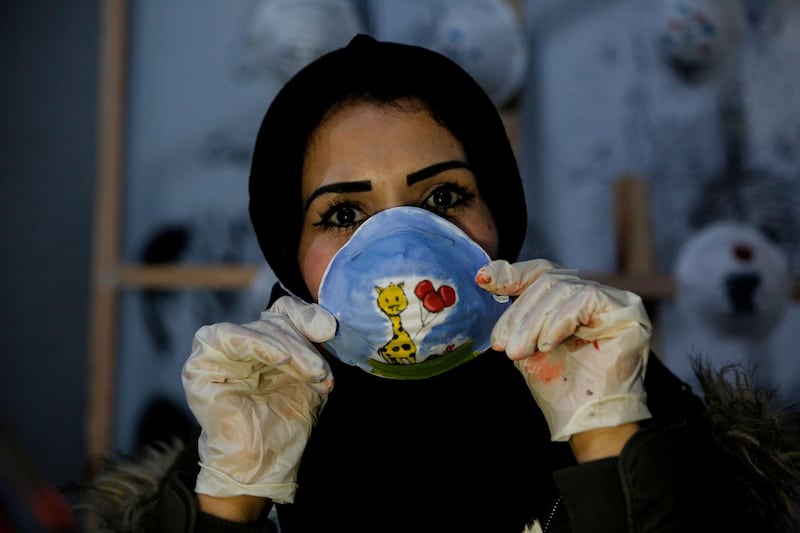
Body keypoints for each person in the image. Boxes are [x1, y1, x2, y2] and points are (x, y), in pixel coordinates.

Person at [75, 34, 799, 532]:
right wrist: (230, 500)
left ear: (500, 214)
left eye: (444, 197)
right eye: (344, 212)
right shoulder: (242, 447)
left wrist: (609, 433)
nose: (399, 250)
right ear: (287, 251)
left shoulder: (653, 421)